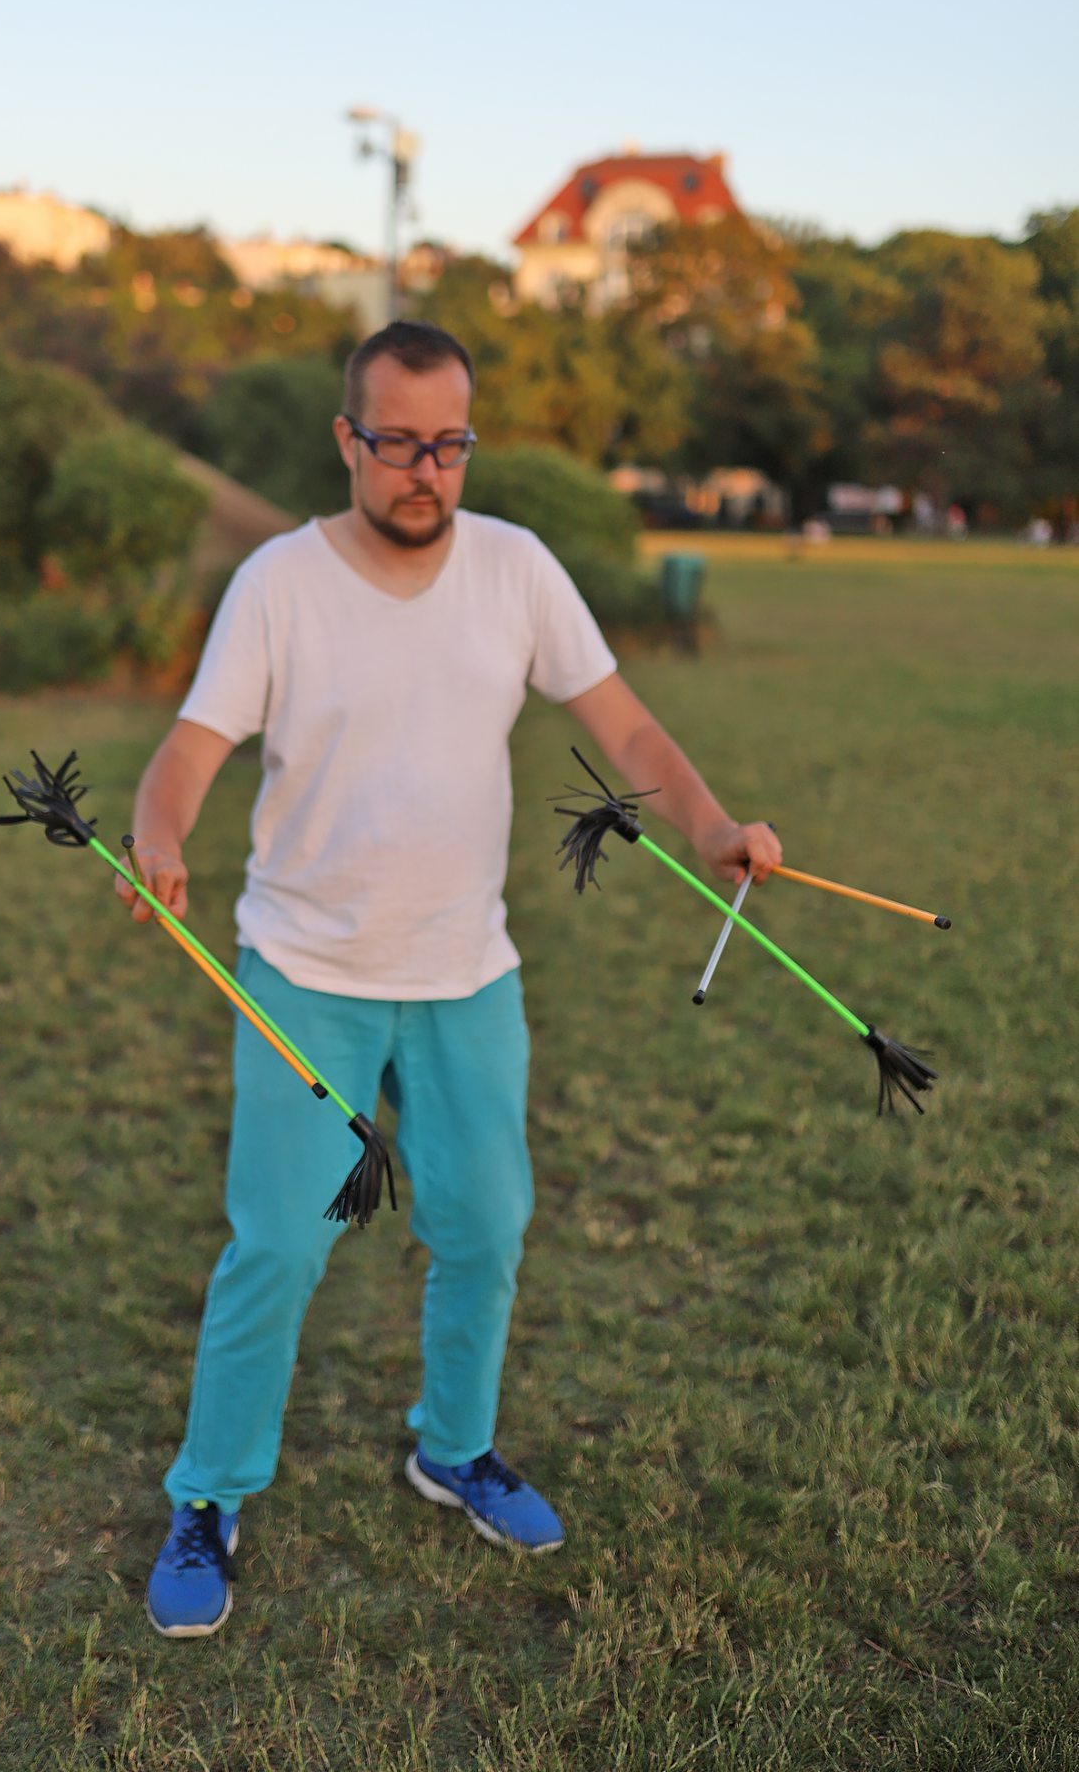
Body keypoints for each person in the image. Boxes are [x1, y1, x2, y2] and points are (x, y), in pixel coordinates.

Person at [119, 321, 781, 1637]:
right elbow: (192, 743)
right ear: (346, 440)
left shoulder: (517, 572)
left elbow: (625, 723)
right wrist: (156, 833)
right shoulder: (279, 583)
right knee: (280, 1245)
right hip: (305, 972)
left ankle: (453, 1447)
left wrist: (709, 827)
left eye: (449, 444)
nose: (425, 471)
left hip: (466, 974)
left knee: (484, 1225)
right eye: (398, 443)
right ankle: (208, 1495)